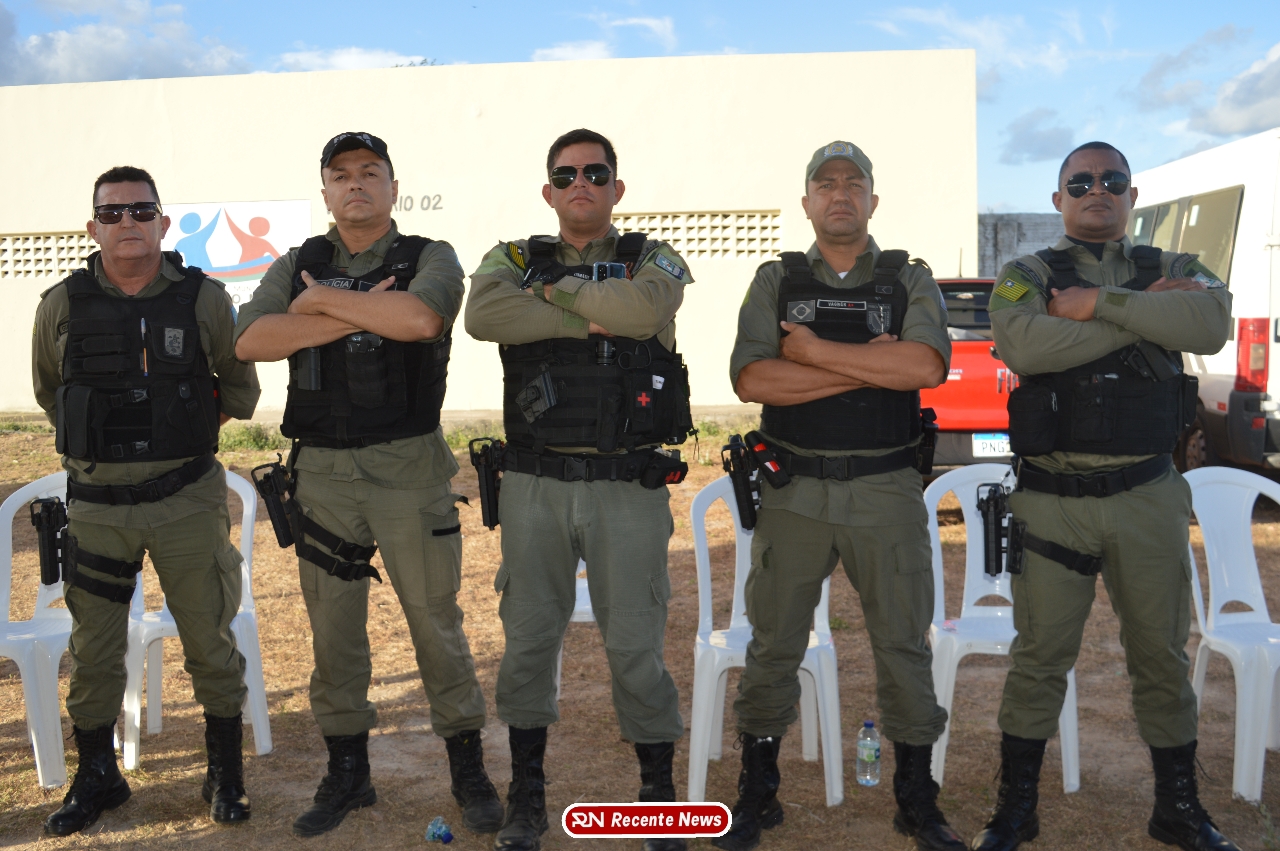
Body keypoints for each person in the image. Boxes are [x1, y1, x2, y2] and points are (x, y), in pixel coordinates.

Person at [234, 132, 502, 838]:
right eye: (341, 174)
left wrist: (318, 304)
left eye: (369, 172)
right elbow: (251, 340)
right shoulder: (296, 262)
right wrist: (348, 307)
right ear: (325, 191)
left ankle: (467, 768)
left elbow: (419, 319)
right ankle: (348, 773)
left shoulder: (429, 256)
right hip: (322, 476)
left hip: (408, 470)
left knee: (435, 622)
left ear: (392, 187)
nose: (355, 183)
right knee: (333, 633)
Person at [973, 141, 1238, 851]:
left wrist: (1097, 306)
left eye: (1113, 179)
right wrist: (1143, 314)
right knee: (1038, 657)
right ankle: (1016, 810)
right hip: (1051, 501)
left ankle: (1178, 808)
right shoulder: (1027, 274)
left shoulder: (1176, 266)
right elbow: (1026, 346)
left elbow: (1212, 323)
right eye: (1081, 181)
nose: (1098, 189)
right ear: (1058, 198)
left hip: (1146, 495)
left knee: (1161, 657)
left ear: (1132, 195)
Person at [725, 141, 963, 851]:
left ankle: (916, 801)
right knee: (773, 643)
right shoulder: (775, 280)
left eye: (853, 183)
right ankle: (758, 793)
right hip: (794, 491)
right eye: (825, 184)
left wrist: (812, 353)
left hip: (884, 490)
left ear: (872, 201)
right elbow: (754, 380)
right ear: (807, 202)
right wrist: (869, 366)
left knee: (902, 644)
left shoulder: (908, 279)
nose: (839, 194)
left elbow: (925, 366)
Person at [465, 128, 696, 851]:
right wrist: (594, 309)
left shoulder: (651, 257)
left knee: (634, 645)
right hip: (535, 485)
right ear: (549, 191)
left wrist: (555, 294)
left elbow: (645, 312)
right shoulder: (511, 258)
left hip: (627, 486)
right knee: (529, 642)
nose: (581, 185)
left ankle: (656, 799)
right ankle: (526, 798)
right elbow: (483, 316)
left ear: (616, 188)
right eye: (566, 176)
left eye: (595, 173)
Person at [31, 166, 261, 835]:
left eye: (141, 210)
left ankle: (224, 773)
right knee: (95, 646)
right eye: (113, 213)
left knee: (209, 636)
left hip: (186, 500)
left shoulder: (204, 298)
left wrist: (174, 435)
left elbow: (238, 390)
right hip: (97, 509)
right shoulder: (61, 304)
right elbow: (51, 393)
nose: (127, 223)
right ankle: (98, 776)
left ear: (162, 222)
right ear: (92, 226)